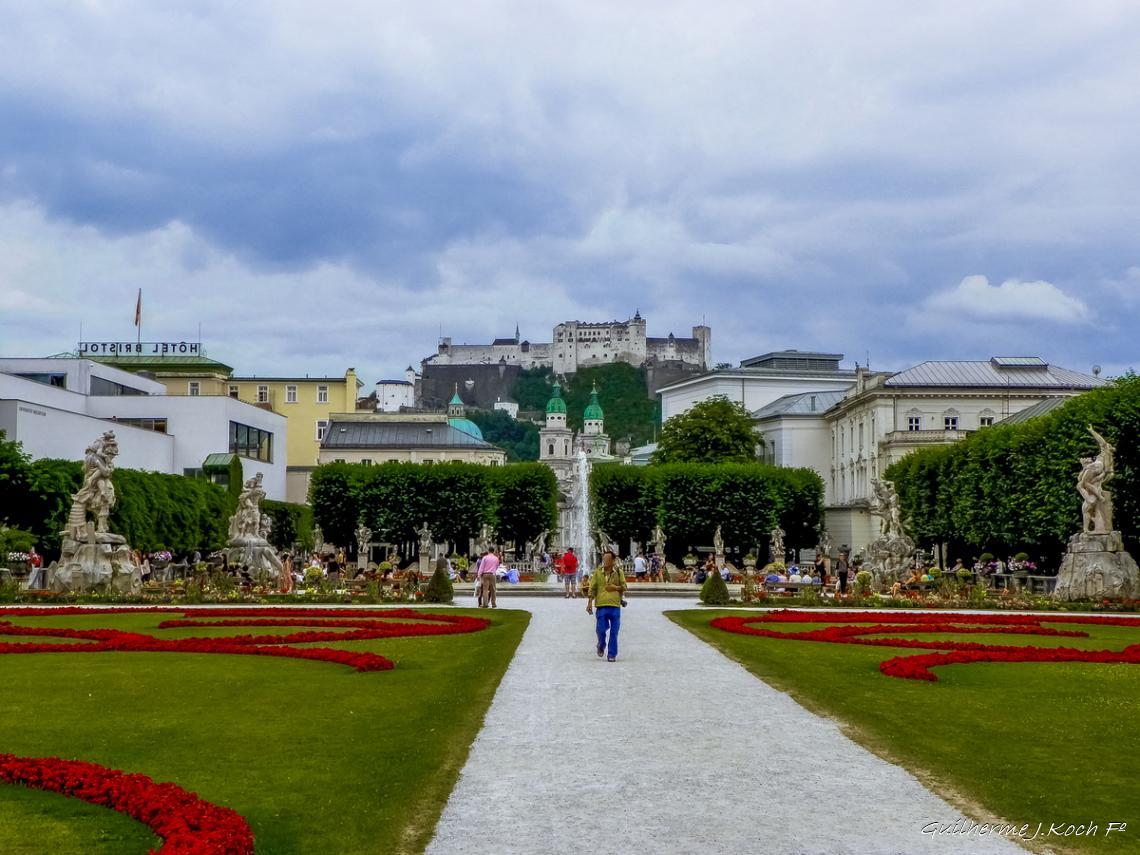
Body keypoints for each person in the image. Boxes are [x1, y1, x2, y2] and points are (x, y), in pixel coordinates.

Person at [586, 549, 627, 662]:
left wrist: (615, 588)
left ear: (613, 560)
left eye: (608, 559)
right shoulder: (598, 572)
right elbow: (592, 588)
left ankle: (612, 654)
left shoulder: (619, 572)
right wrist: (589, 602)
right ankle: (601, 644)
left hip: (614, 605)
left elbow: (624, 586)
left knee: (614, 632)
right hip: (601, 605)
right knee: (601, 629)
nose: (605, 561)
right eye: (604, 559)